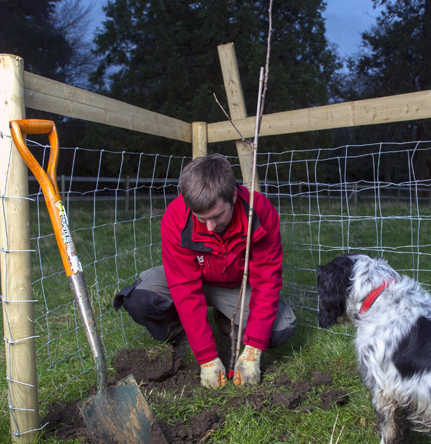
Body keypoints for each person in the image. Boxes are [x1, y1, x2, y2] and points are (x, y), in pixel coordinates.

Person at [113, 154, 296, 388]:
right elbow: (184, 289)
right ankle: (181, 338)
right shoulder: (175, 216)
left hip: (236, 285)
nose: (209, 227)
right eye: (201, 219)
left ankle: (228, 328)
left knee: (281, 327)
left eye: (217, 216)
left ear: (232, 195)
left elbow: (267, 282)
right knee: (140, 299)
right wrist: (206, 357)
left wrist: (254, 349)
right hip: (190, 277)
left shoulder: (259, 211)